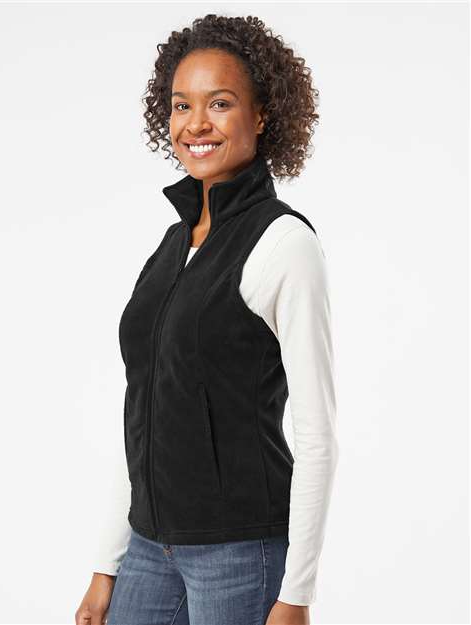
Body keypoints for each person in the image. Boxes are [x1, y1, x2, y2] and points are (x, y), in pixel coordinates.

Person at [75, 14, 339, 625]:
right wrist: (105, 565)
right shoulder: (172, 245)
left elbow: (317, 433)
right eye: (181, 105)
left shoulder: (284, 243)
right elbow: (143, 413)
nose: (196, 123)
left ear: (262, 115)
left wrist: (297, 594)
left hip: (241, 551)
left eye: (220, 103)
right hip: (149, 547)